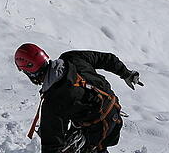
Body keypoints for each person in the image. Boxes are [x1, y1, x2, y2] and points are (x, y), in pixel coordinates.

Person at [15, 44, 143, 153]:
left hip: (98, 128)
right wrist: (126, 73)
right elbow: (106, 59)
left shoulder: (53, 100)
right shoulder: (71, 58)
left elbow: (52, 145)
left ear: (29, 72)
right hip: (113, 109)